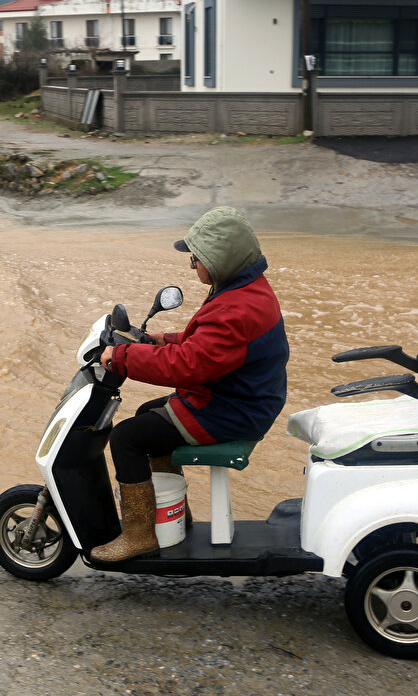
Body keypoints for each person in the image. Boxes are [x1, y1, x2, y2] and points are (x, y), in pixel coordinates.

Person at [92, 206, 289, 562]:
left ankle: (139, 536)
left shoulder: (236, 309)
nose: (191, 265)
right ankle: (176, 517)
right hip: (240, 398)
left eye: (196, 258)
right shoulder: (245, 290)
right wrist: (159, 339)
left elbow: (190, 365)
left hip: (231, 410)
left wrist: (121, 357)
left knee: (126, 438)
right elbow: (208, 345)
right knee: (148, 414)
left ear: (219, 258)